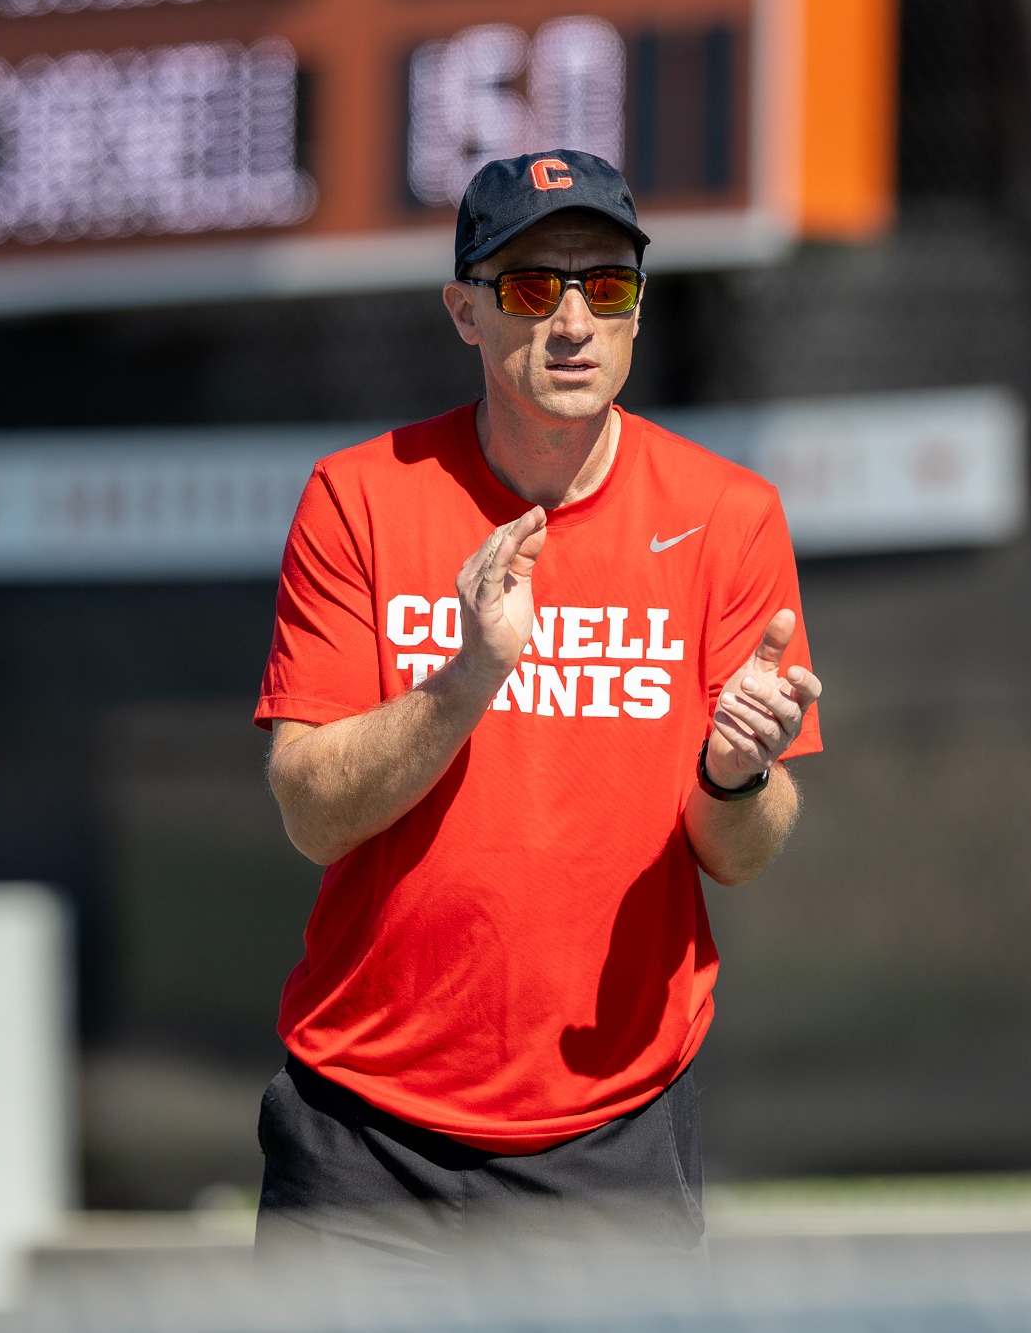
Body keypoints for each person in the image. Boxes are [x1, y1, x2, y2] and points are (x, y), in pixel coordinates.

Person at [251, 149, 824, 1276]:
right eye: (529, 287)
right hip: (362, 1138)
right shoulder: (358, 497)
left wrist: (736, 774)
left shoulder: (728, 513)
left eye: (604, 286)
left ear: (637, 309)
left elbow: (742, 851)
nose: (571, 322)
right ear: (464, 311)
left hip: (609, 1138)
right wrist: (467, 675)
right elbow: (311, 815)